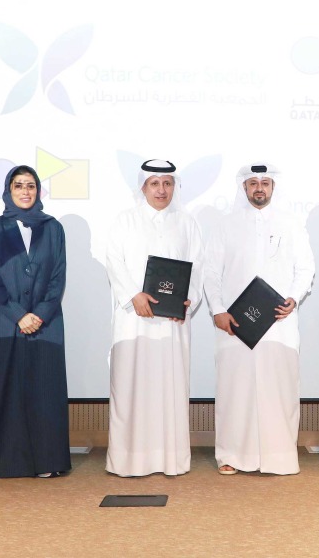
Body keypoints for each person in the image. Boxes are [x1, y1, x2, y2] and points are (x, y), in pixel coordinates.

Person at [203, 163, 315, 475]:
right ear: (244, 188)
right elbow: (210, 272)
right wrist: (217, 309)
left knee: (278, 390)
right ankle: (231, 455)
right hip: (235, 325)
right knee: (235, 391)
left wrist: (294, 297)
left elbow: (306, 268)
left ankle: (279, 457)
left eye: (265, 183)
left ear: (273, 187)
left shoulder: (291, 223)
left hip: (279, 324)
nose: (259, 188)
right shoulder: (225, 225)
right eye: (253, 183)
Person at [0, 165, 71, 479]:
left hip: (45, 322)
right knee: (3, 390)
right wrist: (18, 315)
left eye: (31, 186)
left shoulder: (53, 228)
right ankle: (2, 463)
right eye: (18, 185)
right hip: (3, 320)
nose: (25, 191)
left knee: (43, 391)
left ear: (38, 191)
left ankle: (46, 462)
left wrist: (40, 314)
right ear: (8, 191)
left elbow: (58, 276)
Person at [105, 159, 203, 477]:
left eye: (167, 183)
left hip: (172, 325)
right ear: (143, 187)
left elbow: (197, 268)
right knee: (131, 388)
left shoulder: (187, 223)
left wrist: (189, 300)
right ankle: (128, 461)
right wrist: (133, 295)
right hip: (134, 320)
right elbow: (114, 261)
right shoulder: (125, 220)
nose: (162, 190)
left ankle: (170, 460)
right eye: (155, 183)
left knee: (169, 390)